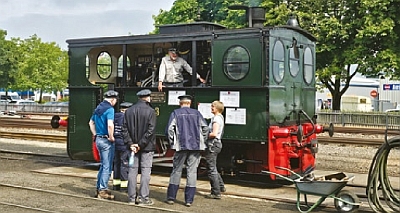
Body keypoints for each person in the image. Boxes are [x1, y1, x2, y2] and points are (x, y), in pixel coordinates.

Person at [165, 95, 209, 207]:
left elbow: (170, 129)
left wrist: (172, 143)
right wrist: (202, 141)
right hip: (195, 146)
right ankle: (189, 200)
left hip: (181, 146)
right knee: (192, 172)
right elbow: (205, 128)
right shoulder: (197, 114)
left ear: (181, 103)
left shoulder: (175, 113)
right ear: (189, 103)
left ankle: (171, 198)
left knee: (176, 170)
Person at [123, 89, 157, 205]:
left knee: (132, 172)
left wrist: (131, 144)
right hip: (146, 147)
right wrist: (140, 144)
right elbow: (150, 130)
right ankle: (144, 198)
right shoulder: (151, 111)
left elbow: (124, 130)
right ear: (147, 98)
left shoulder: (128, 111)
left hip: (132, 148)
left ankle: (131, 198)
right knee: (145, 172)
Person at [88, 90, 119, 200]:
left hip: (98, 140)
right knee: (107, 166)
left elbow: (90, 123)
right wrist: (111, 137)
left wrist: (95, 134)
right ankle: (102, 190)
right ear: (113, 99)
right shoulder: (110, 109)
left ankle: (99, 187)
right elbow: (110, 125)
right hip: (106, 140)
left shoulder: (98, 108)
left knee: (102, 165)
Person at [205, 100, 226, 199]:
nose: (211, 108)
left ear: (217, 108)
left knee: (211, 169)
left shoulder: (216, 119)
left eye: (213, 106)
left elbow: (214, 133)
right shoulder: (220, 117)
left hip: (213, 145)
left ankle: (216, 192)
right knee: (213, 167)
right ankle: (221, 186)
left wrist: (203, 136)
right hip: (217, 144)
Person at [112, 102, 133, 192]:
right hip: (124, 144)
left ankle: (116, 185)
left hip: (115, 143)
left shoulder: (114, 116)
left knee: (116, 164)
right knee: (124, 164)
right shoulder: (126, 118)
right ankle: (124, 186)